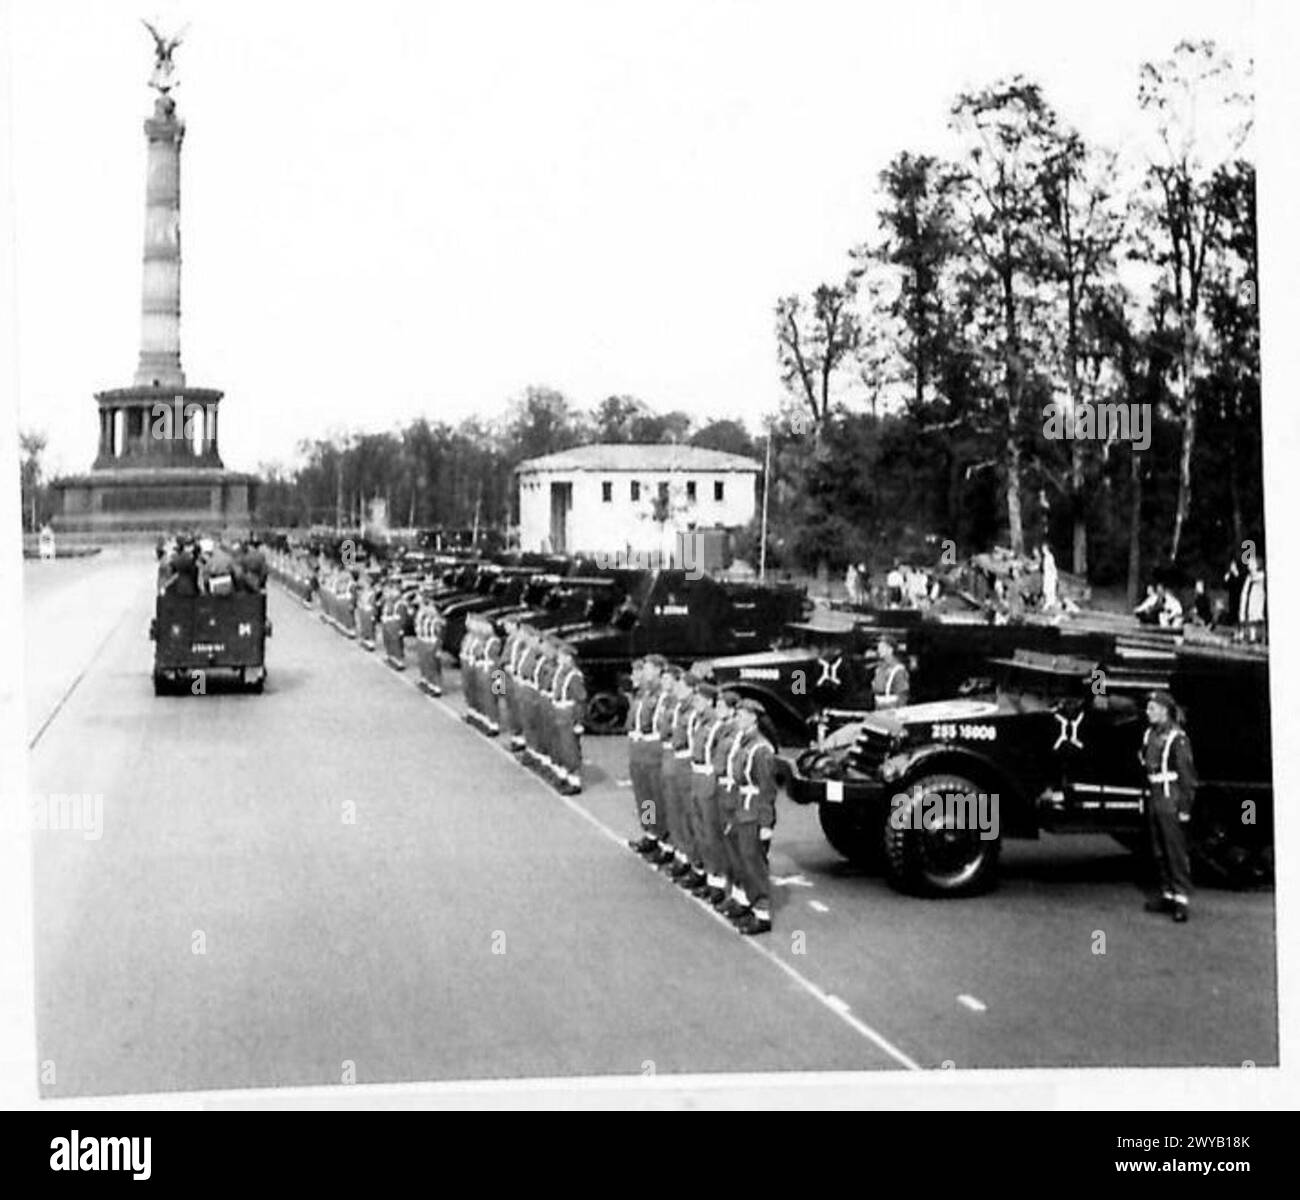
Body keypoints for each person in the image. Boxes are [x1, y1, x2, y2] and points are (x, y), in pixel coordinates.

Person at [1140, 691, 1197, 923]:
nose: (1148, 712)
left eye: (1152, 708)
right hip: (1154, 795)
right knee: (1158, 850)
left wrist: (1184, 807)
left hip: (1169, 797)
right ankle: (1167, 894)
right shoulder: (1150, 734)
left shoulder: (1178, 738)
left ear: (1164, 710)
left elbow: (1187, 776)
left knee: (1174, 851)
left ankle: (1181, 899)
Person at [728, 699, 777, 935]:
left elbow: (768, 789)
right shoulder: (745, 742)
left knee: (753, 861)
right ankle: (748, 902)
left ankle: (762, 913)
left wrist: (766, 823)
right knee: (742, 858)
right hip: (742, 807)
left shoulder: (761, 750)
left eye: (741, 714)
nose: (737, 717)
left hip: (753, 810)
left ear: (753, 718)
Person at [627, 656, 671, 862]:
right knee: (644, 795)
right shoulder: (643, 693)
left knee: (656, 796)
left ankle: (665, 840)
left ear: (659, 671)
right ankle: (650, 832)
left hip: (652, 747)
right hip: (638, 746)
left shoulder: (663, 696)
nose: (643, 673)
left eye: (648, 669)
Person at [549, 642, 587, 794]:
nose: (559, 658)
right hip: (559, 710)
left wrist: (578, 721)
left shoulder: (574, 676)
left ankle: (575, 781)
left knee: (570, 746)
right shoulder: (561, 672)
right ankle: (565, 774)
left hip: (568, 713)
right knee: (561, 745)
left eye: (562, 656)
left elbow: (580, 699)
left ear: (569, 658)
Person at [871, 635, 910, 710]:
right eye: (879, 648)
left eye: (882, 648)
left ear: (890, 650)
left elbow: (902, 696)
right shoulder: (879, 669)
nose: (879, 650)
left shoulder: (898, 670)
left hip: (892, 712)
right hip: (879, 711)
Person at [1239, 561, 1266, 643]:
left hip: (1257, 598)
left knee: (1257, 617)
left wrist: (1252, 571)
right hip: (1249, 598)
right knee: (1249, 617)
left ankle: (1262, 637)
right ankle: (1250, 636)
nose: (1249, 566)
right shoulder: (1249, 576)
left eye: (1252, 564)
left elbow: (1255, 578)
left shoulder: (1260, 575)